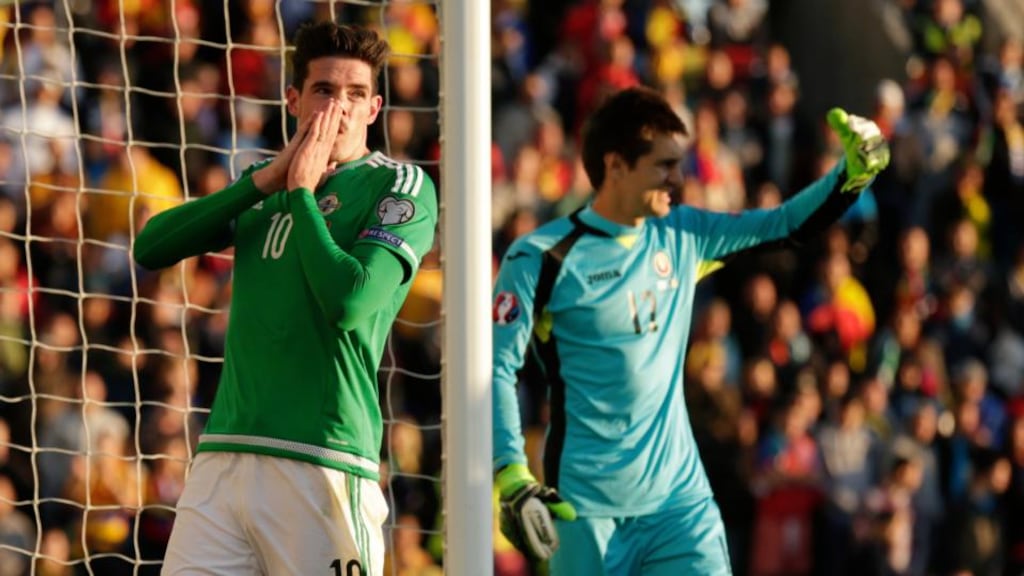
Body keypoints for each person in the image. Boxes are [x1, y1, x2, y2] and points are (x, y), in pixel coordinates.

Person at [492, 86, 889, 575]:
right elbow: (496, 370)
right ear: (615, 166)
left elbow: (785, 224)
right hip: (586, 509)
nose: (679, 179)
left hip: (679, 505)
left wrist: (850, 176)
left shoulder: (684, 234)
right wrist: (511, 474)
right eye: (663, 165)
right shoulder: (541, 258)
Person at [133, 21, 438, 576]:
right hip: (223, 456)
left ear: (374, 110)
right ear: (294, 99)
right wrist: (264, 183)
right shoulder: (263, 186)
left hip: (322, 459)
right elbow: (151, 246)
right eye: (324, 90)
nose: (337, 108)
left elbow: (348, 301)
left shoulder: (400, 186)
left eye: (354, 95)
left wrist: (299, 193)